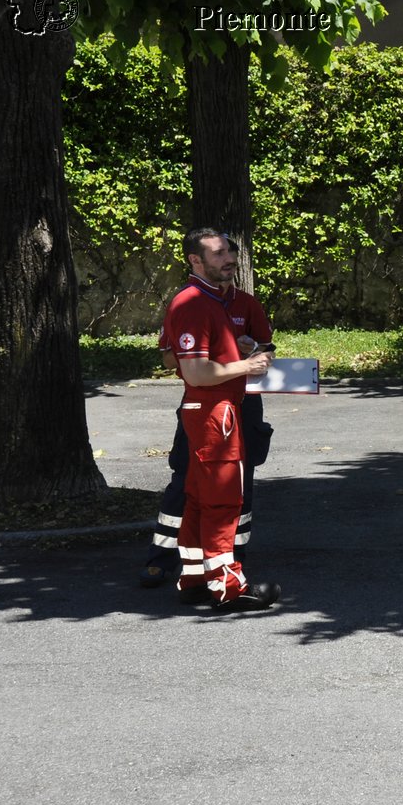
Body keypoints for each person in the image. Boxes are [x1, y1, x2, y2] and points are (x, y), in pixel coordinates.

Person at [141, 235, 275, 588]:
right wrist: (237, 362)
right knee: (195, 483)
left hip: (237, 405)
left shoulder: (240, 302)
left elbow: (266, 349)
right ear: (195, 261)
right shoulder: (193, 303)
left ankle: (220, 564)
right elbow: (182, 362)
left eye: (231, 251)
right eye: (220, 253)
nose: (230, 258)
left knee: (234, 486)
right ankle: (170, 561)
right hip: (210, 408)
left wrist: (250, 350)